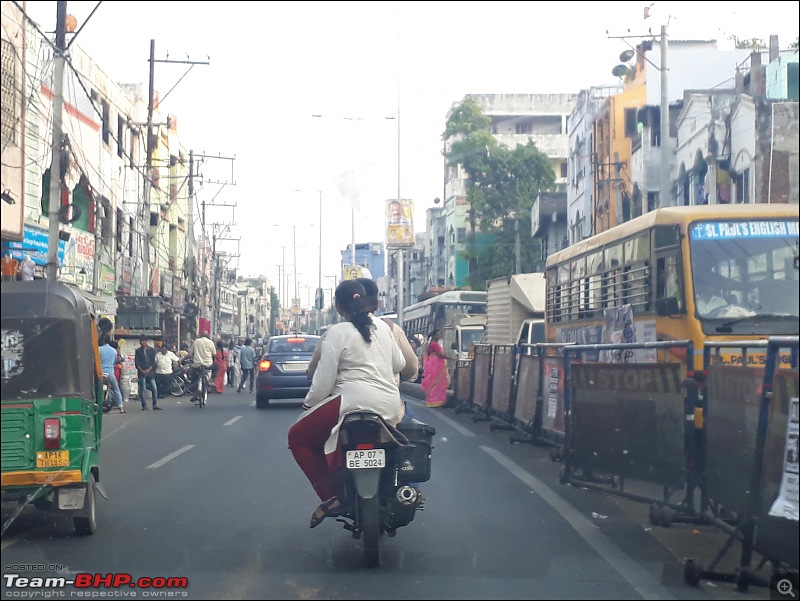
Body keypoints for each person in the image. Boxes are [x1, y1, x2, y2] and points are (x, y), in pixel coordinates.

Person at [288, 279, 406, 529]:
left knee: (297, 437)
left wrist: (309, 407)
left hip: (351, 402)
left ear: (338, 307)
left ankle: (331, 497)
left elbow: (323, 381)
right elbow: (400, 366)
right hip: (388, 405)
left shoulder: (336, 332)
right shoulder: (383, 328)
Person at [420, 328, 449, 408]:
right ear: (434, 335)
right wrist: (450, 358)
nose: (440, 336)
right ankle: (436, 401)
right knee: (437, 383)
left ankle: (432, 401)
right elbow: (440, 355)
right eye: (438, 334)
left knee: (434, 383)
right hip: (436, 365)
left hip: (432, 364)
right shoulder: (434, 344)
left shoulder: (430, 344)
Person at [99, 335, 125, 413]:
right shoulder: (114, 351)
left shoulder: (99, 349)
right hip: (110, 373)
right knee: (116, 389)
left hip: (101, 373)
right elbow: (114, 362)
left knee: (97, 389)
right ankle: (121, 407)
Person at [134, 337, 160, 410]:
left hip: (150, 372)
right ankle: (144, 405)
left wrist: (148, 370)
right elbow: (137, 363)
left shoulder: (151, 350)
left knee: (154, 388)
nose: (142, 342)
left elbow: (153, 362)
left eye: (143, 341)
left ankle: (155, 404)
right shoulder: (138, 351)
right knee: (143, 389)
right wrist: (141, 370)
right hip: (141, 373)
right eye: (141, 341)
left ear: (146, 341)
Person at [191, 329, 216, 397]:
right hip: (208, 364)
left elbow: (191, 353)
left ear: (201, 335)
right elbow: (214, 354)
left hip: (197, 364)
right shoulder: (211, 342)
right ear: (207, 335)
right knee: (216, 367)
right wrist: (213, 361)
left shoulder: (196, 341)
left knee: (194, 376)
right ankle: (211, 380)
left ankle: (194, 390)